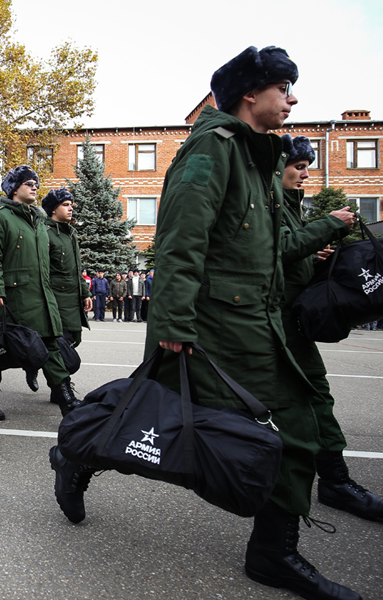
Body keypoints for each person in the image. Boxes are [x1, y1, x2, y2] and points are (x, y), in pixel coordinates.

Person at [49, 46, 363, 600]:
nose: (293, 99)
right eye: (284, 89)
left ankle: (273, 555)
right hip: (211, 329)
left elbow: (275, 246)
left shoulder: (258, 158)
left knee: (294, 430)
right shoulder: (211, 153)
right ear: (251, 93)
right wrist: (172, 322)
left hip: (258, 326)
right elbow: (178, 244)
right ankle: (77, 454)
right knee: (165, 422)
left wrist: (325, 232)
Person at [278, 133, 382, 521]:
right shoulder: (267, 203)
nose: (305, 175)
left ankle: (335, 482)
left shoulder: (290, 206)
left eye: (307, 168)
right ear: (279, 168)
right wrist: (326, 227)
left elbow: (289, 257)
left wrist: (316, 254)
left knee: (316, 396)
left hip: (291, 323)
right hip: (268, 323)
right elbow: (273, 252)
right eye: (298, 167)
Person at [0, 165, 80, 420]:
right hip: (10, 300)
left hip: (41, 299)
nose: (34, 186)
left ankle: (67, 401)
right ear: (14, 188)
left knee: (51, 347)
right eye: (28, 183)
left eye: (35, 183)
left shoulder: (38, 222)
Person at [43, 187, 92, 346]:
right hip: (57, 301)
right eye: (65, 204)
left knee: (74, 341)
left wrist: (85, 293)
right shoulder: (44, 233)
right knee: (61, 348)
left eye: (71, 204)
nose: (70, 208)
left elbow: (76, 268)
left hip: (74, 300)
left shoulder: (71, 233)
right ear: (53, 210)